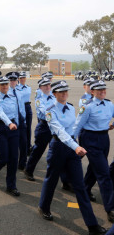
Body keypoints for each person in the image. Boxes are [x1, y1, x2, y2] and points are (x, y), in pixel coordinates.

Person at [38, 80, 107, 235]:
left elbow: (74, 127)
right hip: (58, 148)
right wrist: (76, 146)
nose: (64, 94)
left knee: (80, 187)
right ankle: (43, 206)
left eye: (66, 91)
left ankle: (92, 225)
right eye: (61, 92)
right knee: (51, 179)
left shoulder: (70, 108)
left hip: (72, 149)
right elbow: (61, 132)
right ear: (54, 94)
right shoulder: (50, 111)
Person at [74, 80, 114, 223]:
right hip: (90, 138)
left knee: (95, 167)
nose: (102, 91)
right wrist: (73, 145)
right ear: (92, 91)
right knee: (104, 173)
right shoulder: (87, 106)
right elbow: (78, 125)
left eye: (104, 89)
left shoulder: (109, 104)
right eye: (99, 90)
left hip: (104, 138)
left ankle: (83, 190)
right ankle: (111, 208)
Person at [0, 76, 21, 196]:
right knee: (3, 156)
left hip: (13, 128)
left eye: (6, 84)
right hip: (0, 128)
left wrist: (17, 124)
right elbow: (0, 112)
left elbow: (16, 112)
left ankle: (11, 186)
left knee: (13, 158)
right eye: (2, 85)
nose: (5, 87)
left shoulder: (13, 97)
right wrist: (9, 123)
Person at [24, 77, 55, 181]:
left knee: (57, 150)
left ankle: (64, 180)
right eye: (45, 85)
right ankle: (28, 170)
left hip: (54, 126)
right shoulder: (39, 99)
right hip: (44, 127)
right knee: (38, 150)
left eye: (49, 85)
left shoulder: (54, 96)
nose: (47, 87)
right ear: (40, 87)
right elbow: (45, 111)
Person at [7, 72, 27, 171]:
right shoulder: (6, 92)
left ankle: (22, 163)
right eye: (11, 80)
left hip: (21, 118)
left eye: (14, 80)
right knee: (11, 143)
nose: (13, 82)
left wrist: (24, 118)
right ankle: (7, 161)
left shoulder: (19, 91)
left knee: (24, 142)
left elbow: (22, 106)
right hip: (12, 120)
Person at [17, 71, 32, 156]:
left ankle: (28, 146)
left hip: (28, 107)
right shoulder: (17, 88)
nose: (22, 79)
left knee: (28, 128)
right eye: (21, 78)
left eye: (24, 78)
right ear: (18, 79)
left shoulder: (28, 87)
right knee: (22, 127)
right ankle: (21, 146)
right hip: (20, 108)